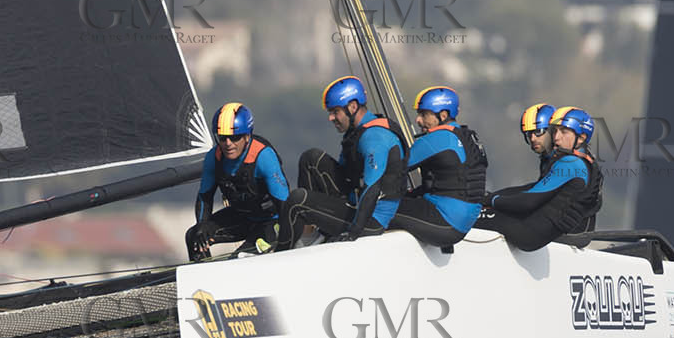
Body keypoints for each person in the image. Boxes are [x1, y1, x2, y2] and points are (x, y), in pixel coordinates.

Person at [281, 75, 407, 246]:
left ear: (352, 107)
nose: (331, 118)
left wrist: (353, 233)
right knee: (311, 158)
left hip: (371, 221)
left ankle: (284, 251)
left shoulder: (374, 137)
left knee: (298, 200)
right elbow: (345, 175)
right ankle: (313, 234)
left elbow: (372, 189)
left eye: (335, 112)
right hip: (355, 204)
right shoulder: (356, 132)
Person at [481, 106, 603, 251]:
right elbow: (534, 190)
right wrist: (492, 197)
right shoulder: (583, 160)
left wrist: (491, 200)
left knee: (471, 216)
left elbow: (528, 201)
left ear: (581, 138)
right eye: (555, 131)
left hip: (541, 235)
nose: (556, 137)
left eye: (563, 131)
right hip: (560, 232)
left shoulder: (570, 163)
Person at [186, 102, 289, 261]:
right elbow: (204, 197)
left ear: (247, 136)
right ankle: (203, 273)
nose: (228, 144)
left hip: (270, 221)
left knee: (237, 260)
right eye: (222, 138)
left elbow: (284, 205)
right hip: (242, 217)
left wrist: (286, 243)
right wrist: (202, 226)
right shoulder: (213, 158)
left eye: (235, 137)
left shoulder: (263, 156)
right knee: (194, 235)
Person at [388, 86, 487, 247]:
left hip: (443, 220)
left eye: (424, 114)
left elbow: (392, 167)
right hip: (463, 224)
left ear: (443, 115)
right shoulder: (469, 137)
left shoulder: (438, 137)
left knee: (379, 207)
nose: (418, 120)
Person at [487, 102, 554, 207]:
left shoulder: (563, 161)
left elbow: (532, 198)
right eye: (529, 134)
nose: (533, 138)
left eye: (538, 131)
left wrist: (493, 200)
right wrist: (493, 195)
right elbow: (536, 187)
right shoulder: (547, 159)